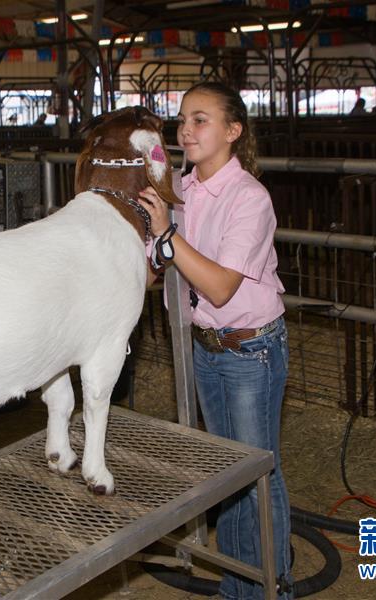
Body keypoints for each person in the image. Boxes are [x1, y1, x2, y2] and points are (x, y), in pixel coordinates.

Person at [138, 81, 292, 600]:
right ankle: (237, 587)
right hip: (206, 348)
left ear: (233, 131)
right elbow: (163, 267)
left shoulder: (250, 198)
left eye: (201, 119)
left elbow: (222, 286)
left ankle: (272, 589)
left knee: (257, 474)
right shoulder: (182, 189)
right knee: (225, 475)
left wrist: (167, 235)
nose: (186, 128)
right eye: (183, 118)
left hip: (251, 350)